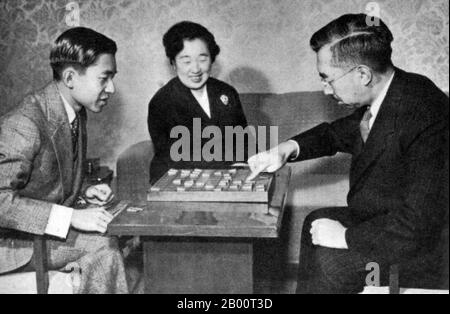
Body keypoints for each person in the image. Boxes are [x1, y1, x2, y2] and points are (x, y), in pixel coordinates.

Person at [248, 14, 449, 293]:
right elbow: (334, 133)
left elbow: (418, 223)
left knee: (331, 263)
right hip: (385, 220)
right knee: (314, 221)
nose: (325, 90)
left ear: (363, 74)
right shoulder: (392, 91)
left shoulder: (427, 113)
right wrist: (286, 149)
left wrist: (346, 237)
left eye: (328, 79)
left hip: (425, 248)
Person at [0, 27, 128, 294]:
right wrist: (72, 217)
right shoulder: (24, 123)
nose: (111, 88)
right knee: (105, 248)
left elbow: (46, 178)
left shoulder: (75, 111)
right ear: (70, 77)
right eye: (104, 78)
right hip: (14, 246)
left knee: (125, 234)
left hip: (41, 235)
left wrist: (84, 190)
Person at [148, 21, 250, 184]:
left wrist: (247, 163)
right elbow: (176, 157)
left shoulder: (227, 93)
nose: (195, 69)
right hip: (178, 182)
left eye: (202, 59)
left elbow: (243, 140)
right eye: (186, 61)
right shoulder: (162, 102)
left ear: (212, 59)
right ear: (173, 63)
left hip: (226, 179)